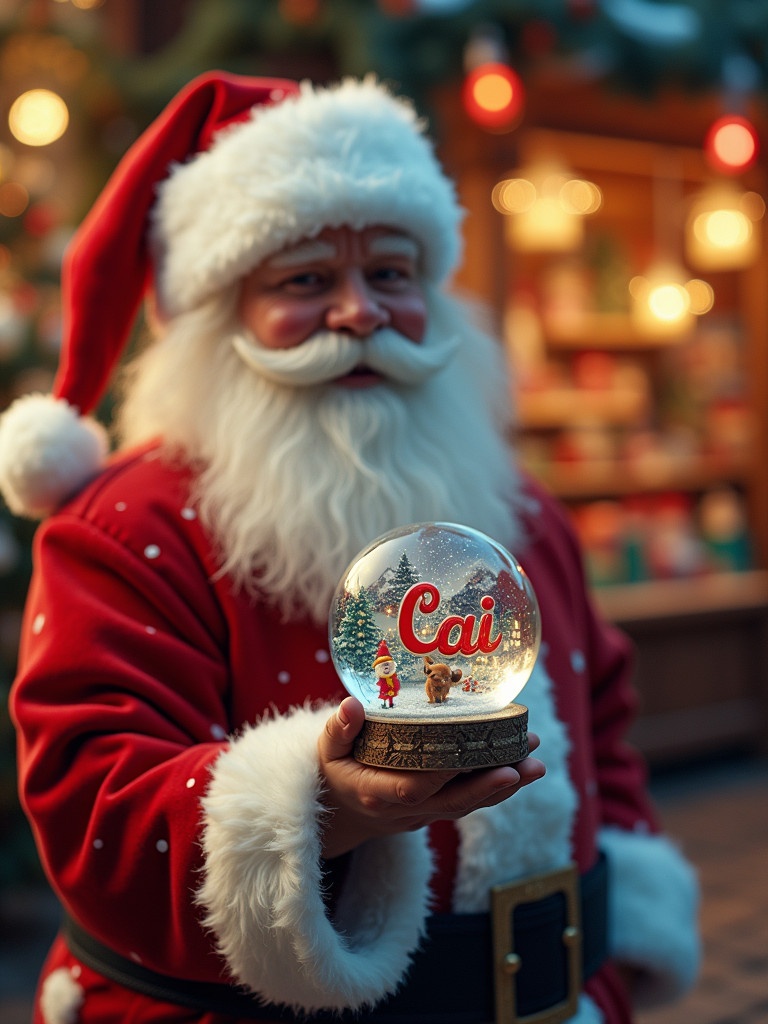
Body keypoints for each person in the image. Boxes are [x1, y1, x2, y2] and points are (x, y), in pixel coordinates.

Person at [0, 72, 699, 1024]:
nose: (359, 312)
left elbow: (605, 726)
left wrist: (600, 971)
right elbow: (94, 808)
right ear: (220, 313)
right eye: (304, 281)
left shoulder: (523, 508)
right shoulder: (127, 527)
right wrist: (323, 806)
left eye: (391, 273)